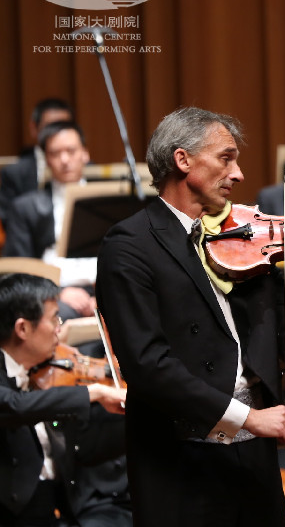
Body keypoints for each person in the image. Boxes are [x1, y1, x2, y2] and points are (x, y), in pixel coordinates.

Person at [94, 106, 285, 527]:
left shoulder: (242, 243)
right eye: (225, 158)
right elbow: (147, 365)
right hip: (181, 462)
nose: (239, 173)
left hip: (253, 458)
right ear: (183, 161)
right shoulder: (129, 245)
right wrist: (248, 416)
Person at [0, 272, 128, 526]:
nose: (61, 328)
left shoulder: (45, 370)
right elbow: (14, 406)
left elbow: (85, 449)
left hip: (62, 501)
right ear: (23, 328)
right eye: (54, 319)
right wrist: (96, 392)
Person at [3, 121, 97, 320]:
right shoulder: (25, 207)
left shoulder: (107, 201)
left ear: (85, 154)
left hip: (102, 288)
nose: (64, 160)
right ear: (46, 159)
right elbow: (17, 270)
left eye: (71, 151)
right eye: (55, 153)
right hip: (54, 293)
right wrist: (59, 292)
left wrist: (104, 294)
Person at [0, 98, 74, 230]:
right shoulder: (14, 174)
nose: (56, 133)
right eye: (50, 126)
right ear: (34, 128)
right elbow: (8, 221)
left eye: (63, 126)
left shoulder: (89, 169)